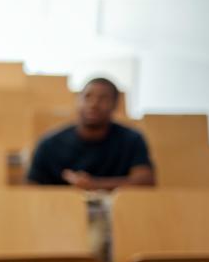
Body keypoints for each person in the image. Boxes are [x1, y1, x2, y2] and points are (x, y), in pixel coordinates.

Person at [27, 77, 155, 190]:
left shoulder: (132, 139)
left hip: (119, 213)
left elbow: (145, 181)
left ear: (115, 105)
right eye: (88, 96)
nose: (94, 104)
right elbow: (32, 188)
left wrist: (95, 185)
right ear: (77, 100)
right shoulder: (50, 144)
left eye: (103, 98)